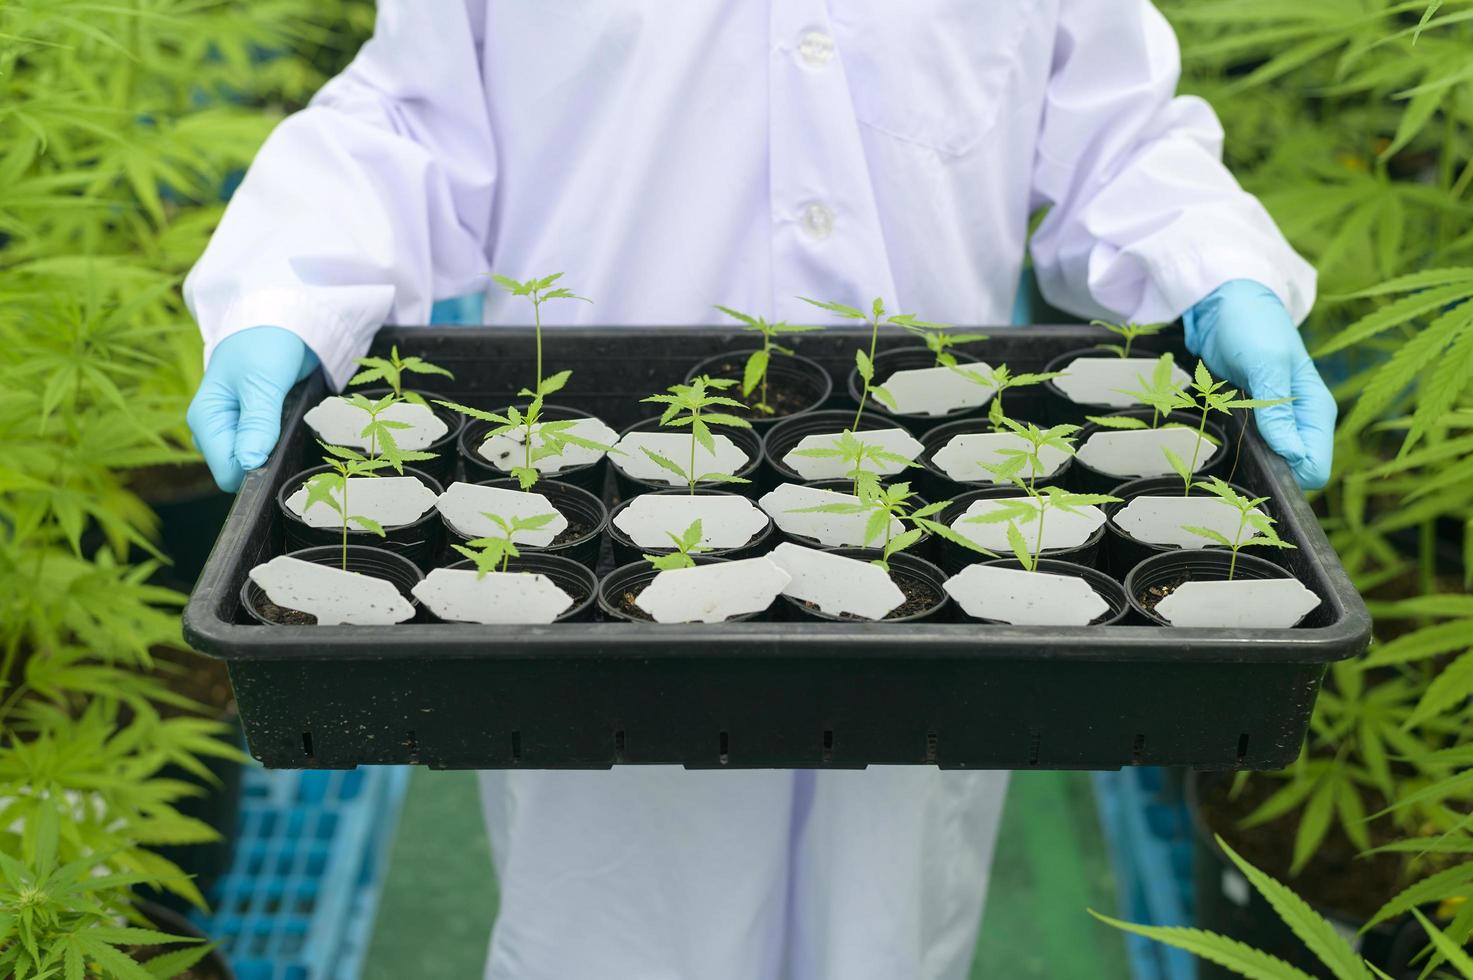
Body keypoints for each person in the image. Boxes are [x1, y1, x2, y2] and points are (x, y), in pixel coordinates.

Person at [184, 3, 1336, 978]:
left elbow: (1114, 138)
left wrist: (1216, 271)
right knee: (619, 925)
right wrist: (290, 292)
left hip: (926, 536)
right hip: (592, 532)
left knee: (882, 922)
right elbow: (409, 120)